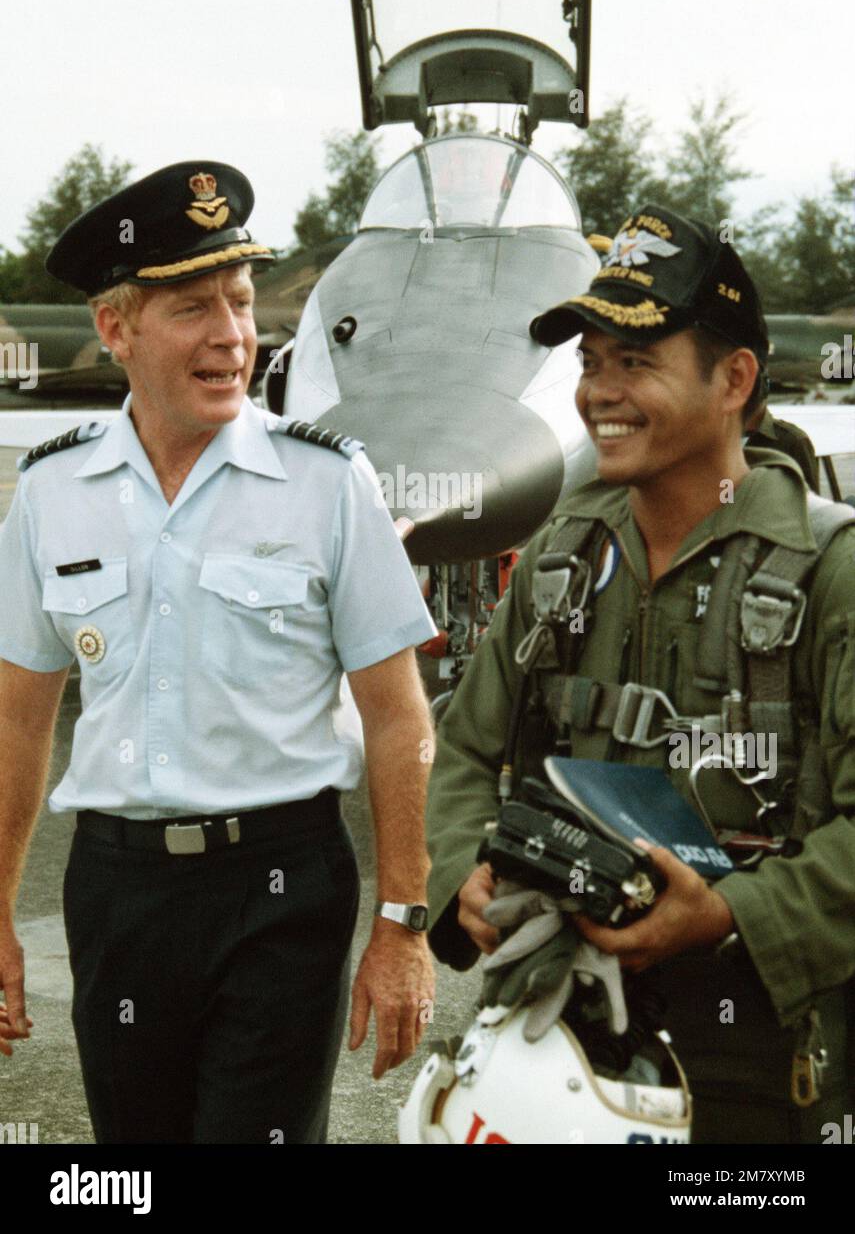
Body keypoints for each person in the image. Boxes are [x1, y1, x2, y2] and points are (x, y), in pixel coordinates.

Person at [0, 161, 437, 1144]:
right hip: (117, 893)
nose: (233, 334)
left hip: (280, 885)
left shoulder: (328, 483)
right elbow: (18, 715)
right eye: (194, 306)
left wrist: (403, 924)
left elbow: (399, 712)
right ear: (116, 329)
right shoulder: (53, 490)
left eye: (239, 301)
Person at [425, 204, 855, 1144]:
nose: (598, 393)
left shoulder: (831, 572)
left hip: (760, 1051)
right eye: (588, 361)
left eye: (635, 361)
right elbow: (460, 745)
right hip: (565, 1036)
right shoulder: (561, 555)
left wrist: (727, 913)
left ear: (733, 378)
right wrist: (464, 873)